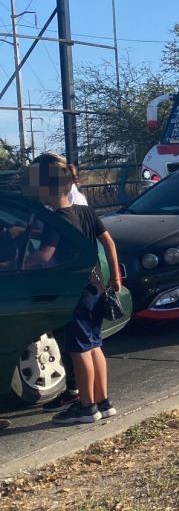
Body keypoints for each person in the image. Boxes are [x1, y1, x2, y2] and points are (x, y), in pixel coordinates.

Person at [25, 155, 121, 424]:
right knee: (95, 345)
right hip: (96, 287)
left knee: (79, 350)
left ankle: (86, 407)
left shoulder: (58, 220)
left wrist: (19, 263)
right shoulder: (84, 212)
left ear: (47, 188)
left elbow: (45, 255)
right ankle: (104, 401)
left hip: (74, 293)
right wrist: (115, 276)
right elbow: (109, 242)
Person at [26, 153, 88, 413]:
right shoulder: (68, 207)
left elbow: (50, 250)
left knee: (77, 343)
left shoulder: (68, 206)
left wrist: (21, 263)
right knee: (84, 343)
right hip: (77, 279)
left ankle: (81, 397)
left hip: (69, 281)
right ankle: (93, 399)